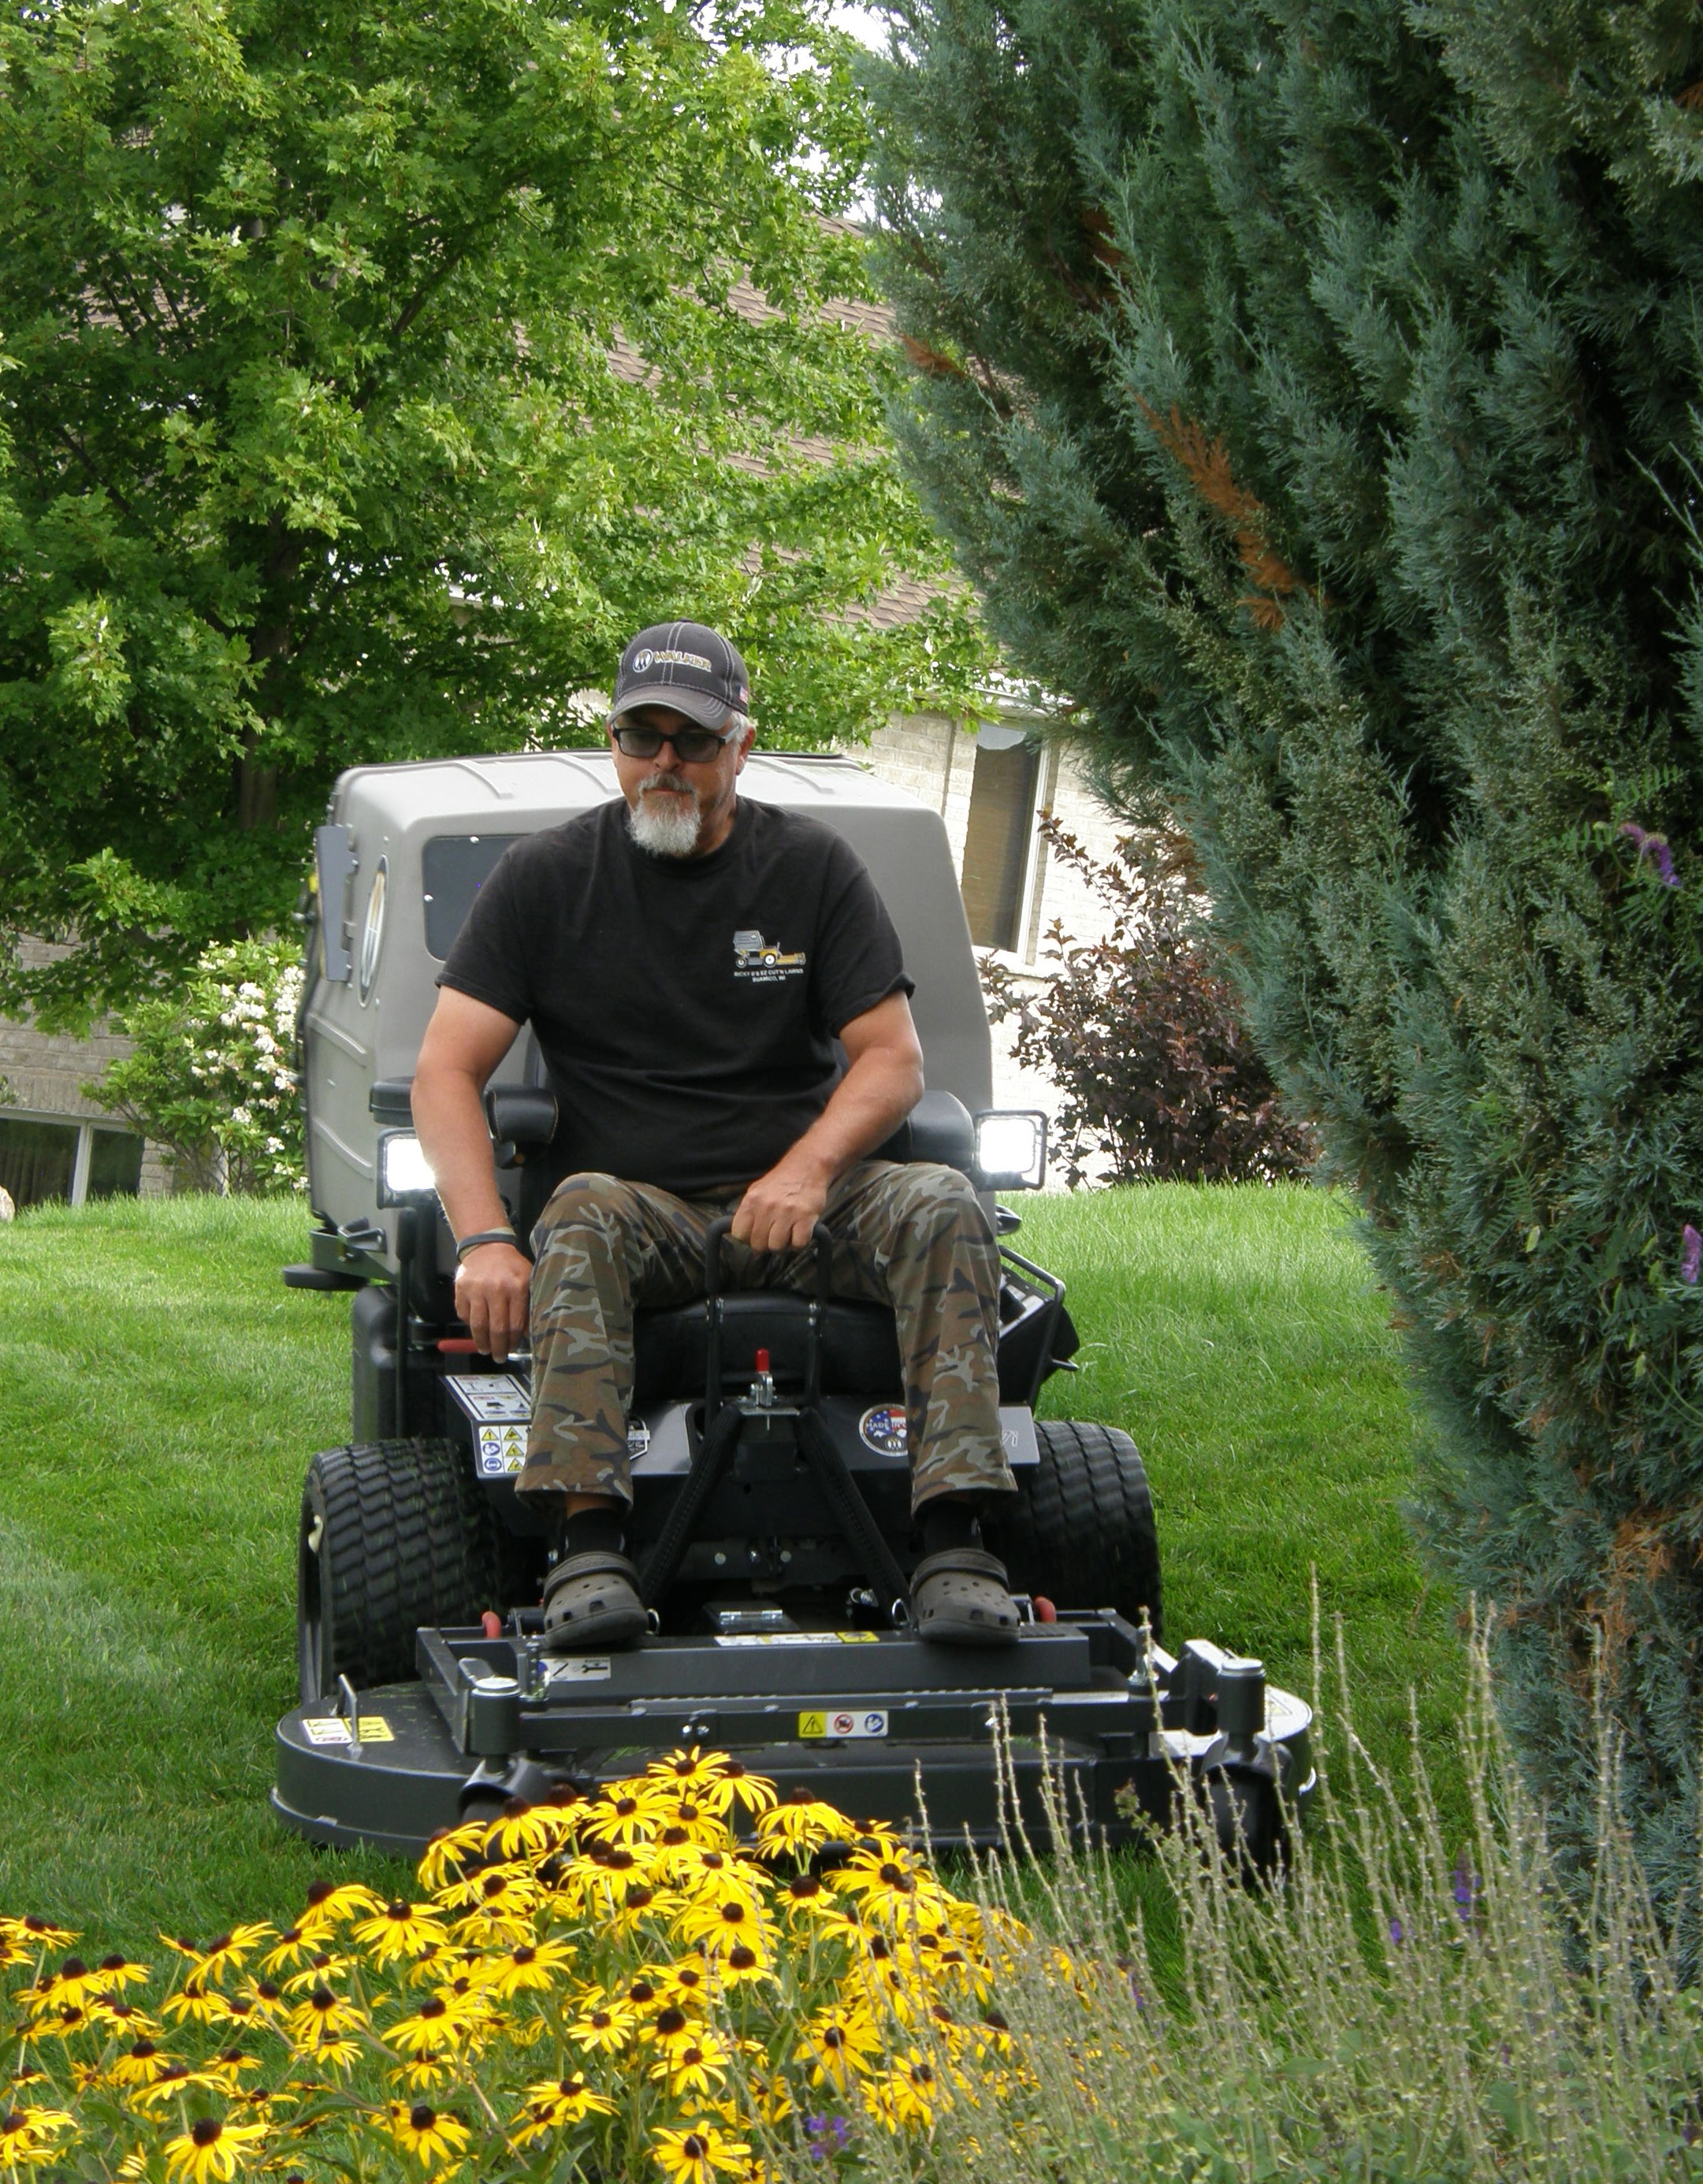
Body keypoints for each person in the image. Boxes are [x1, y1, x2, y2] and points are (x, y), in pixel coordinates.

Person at [411, 619, 1019, 1653]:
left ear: (738, 744)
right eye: (638, 737)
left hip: (804, 1206)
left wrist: (807, 1169)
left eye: (690, 741)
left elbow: (891, 1060)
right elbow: (444, 1071)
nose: (663, 764)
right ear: (611, 743)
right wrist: (482, 1238)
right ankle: (589, 1548)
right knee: (581, 1212)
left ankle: (953, 1541)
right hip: (642, 1212)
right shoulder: (546, 879)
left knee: (943, 1202)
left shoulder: (812, 870)